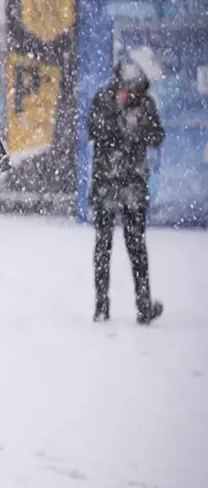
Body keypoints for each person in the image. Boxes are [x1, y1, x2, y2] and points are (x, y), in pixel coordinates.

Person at [88, 60, 165, 324]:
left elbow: (157, 136)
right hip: (107, 184)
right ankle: (101, 305)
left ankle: (143, 305)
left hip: (132, 184)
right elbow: (94, 131)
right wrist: (117, 114)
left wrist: (136, 125)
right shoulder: (104, 99)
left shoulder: (145, 104)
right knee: (103, 246)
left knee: (136, 246)